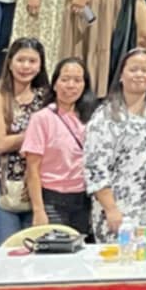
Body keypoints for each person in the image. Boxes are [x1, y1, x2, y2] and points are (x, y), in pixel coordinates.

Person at [0, 36, 50, 248]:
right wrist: (34, 136)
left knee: (39, 255)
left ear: (40, 66)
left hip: (38, 187)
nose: (26, 66)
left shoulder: (46, 98)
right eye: (20, 60)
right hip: (5, 189)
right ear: (10, 63)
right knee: (8, 254)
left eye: (32, 61)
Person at [85, 48, 146, 240]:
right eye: (133, 69)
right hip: (116, 210)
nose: (139, 74)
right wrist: (110, 209)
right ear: (121, 75)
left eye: (145, 70)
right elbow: (95, 167)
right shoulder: (105, 115)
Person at [23, 56, 94, 233]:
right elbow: (32, 169)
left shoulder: (91, 119)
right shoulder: (41, 119)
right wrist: (38, 210)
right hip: (52, 201)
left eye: (77, 80)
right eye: (65, 79)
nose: (71, 85)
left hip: (84, 200)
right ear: (54, 84)